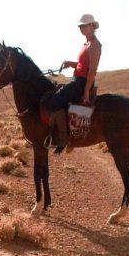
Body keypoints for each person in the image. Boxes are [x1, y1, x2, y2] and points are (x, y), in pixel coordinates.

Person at [46, 13, 102, 154]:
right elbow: (82, 64)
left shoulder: (95, 45)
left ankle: (63, 139)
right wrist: (70, 64)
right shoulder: (86, 43)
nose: (81, 28)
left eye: (84, 26)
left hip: (81, 82)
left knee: (53, 103)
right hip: (76, 78)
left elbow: (92, 70)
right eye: (80, 26)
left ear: (91, 26)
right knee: (52, 82)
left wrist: (85, 92)